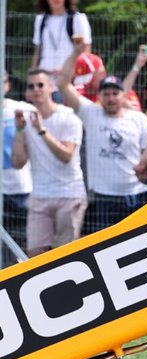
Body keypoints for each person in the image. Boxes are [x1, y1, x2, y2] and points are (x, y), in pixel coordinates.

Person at [55, 59, 147, 236]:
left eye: (115, 93)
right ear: (99, 96)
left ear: (124, 95)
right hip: (103, 197)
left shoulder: (139, 119)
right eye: (106, 94)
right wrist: (76, 52)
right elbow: (62, 83)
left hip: (136, 194)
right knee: (107, 247)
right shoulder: (91, 113)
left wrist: (146, 164)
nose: (111, 98)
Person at [12, 67, 84, 257]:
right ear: (27, 92)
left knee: (67, 255)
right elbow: (18, 162)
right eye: (31, 86)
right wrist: (19, 130)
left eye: (40, 85)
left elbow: (66, 156)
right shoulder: (25, 118)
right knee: (35, 254)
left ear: (50, 87)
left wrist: (42, 131)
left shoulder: (68, 116)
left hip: (69, 193)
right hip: (40, 195)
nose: (36, 89)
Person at [2, 71, 36, 261]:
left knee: (24, 241)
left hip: (22, 187)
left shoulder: (22, 109)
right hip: (2, 191)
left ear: (8, 85)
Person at [30, 0, 90, 78]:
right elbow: (37, 51)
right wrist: (33, 73)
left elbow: (86, 52)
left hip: (69, 77)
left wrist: (67, 69)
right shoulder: (40, 20)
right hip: (45, 78)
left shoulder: (77, 18)